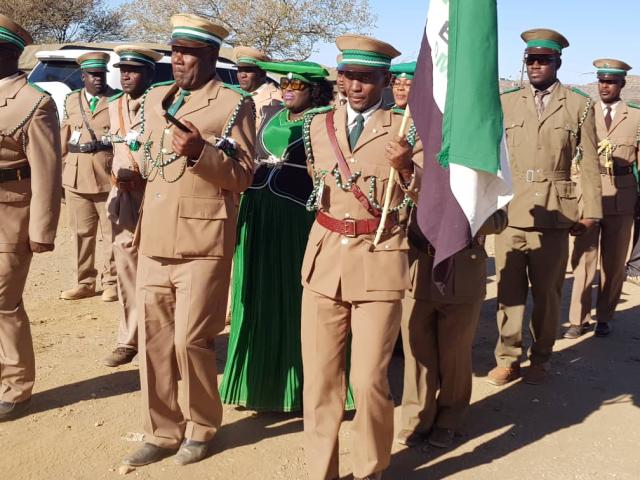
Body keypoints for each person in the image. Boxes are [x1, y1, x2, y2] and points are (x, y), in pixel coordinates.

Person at [121, 14, 255, 467]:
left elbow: (242, 176)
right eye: (175, 51)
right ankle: (161, 430)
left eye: (189, 52)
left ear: (212, 55)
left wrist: (201, 153)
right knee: (154, 343)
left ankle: (201, 427)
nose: (178, 60)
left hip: (203, 241)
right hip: (154, 239)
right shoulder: (157, 97)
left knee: (191, 342)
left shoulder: (234, 103)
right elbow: (149, 163)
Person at [301, 34, 423, 480]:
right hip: (324, 260)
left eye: (367, 78)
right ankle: (321, 472)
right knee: (319, 382)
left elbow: (425, 199)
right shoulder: (319, 126)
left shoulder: (407, 128)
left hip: (379, 256)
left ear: (385, 80)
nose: (356, 86)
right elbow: (320, 188)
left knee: (369, 380)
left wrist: (408, 168)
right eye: (349, 76)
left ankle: (371, 470)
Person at [220, 60, 341, 412]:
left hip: (294, 217)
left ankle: (295, 388)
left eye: (297, 85)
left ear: (315, 90)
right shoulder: (273, 114)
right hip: (257, 210)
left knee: (290, 298)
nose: (287, 88)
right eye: (284, 82)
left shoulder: (325, 121)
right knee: (255, 294)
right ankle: (253, 382)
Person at [489, 29, 602, 386]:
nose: (536, 65)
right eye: (531, 60)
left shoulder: (578, 105)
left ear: (558, 63)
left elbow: (588, 163)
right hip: (511, 210)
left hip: (554, 212)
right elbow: (492, 157)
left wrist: (591, 211)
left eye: (544, 60)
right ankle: (508, 357)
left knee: (548, 294)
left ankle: (541, 357)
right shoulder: (506, 102)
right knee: (508, 290)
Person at [397, 209, 507, 448]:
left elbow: (499, 220)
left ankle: (450, 418)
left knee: (454, 352)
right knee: (416, 348)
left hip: (462, 265)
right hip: (419, 266)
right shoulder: (415, 170)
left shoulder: (481, 170)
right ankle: (418, 416)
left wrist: (460, 210)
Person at [0, 14, 62, 420]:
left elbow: (47, 170)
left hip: (11, 211)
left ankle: (16, 386)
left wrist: (42, 229)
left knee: (3, 302)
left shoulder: (33, 102)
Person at [567, 59, 640, 339]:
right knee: (584, 258)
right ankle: (578, 318)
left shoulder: (634, 115)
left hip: (622, 195)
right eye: (601, 81)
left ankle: (605, 316)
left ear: (621, 84)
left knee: (613, 262)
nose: (605, 86)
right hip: (589, 192)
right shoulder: (585, 112)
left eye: (610, 82)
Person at [102, 46, 163, 367]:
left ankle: (162, 337)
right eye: (122, 69)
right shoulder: (113, 106)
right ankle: (129, 339)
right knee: (126, 269)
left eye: (134, 70)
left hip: (155, 196)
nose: (126, 75)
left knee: (160, 269)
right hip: (122, 196)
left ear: (150, 74)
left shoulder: (162, 106)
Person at [60, 52, 118, 302]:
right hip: (76, 175)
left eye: (101, 74)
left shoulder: (116, 98)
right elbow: (64, 136)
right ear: (82, 76)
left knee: (112, 234)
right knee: (80, 233)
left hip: (107, 175)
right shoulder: (71, 100)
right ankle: (83, 282)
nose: (98, 79)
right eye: (93, 75)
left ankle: (112, 282)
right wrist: (60, 171)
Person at [233, 46, 282, 126]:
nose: (242, 75)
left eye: (248, 71)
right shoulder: (235, 95)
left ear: (262, 74)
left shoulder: (275, 99)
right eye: (239, 70)